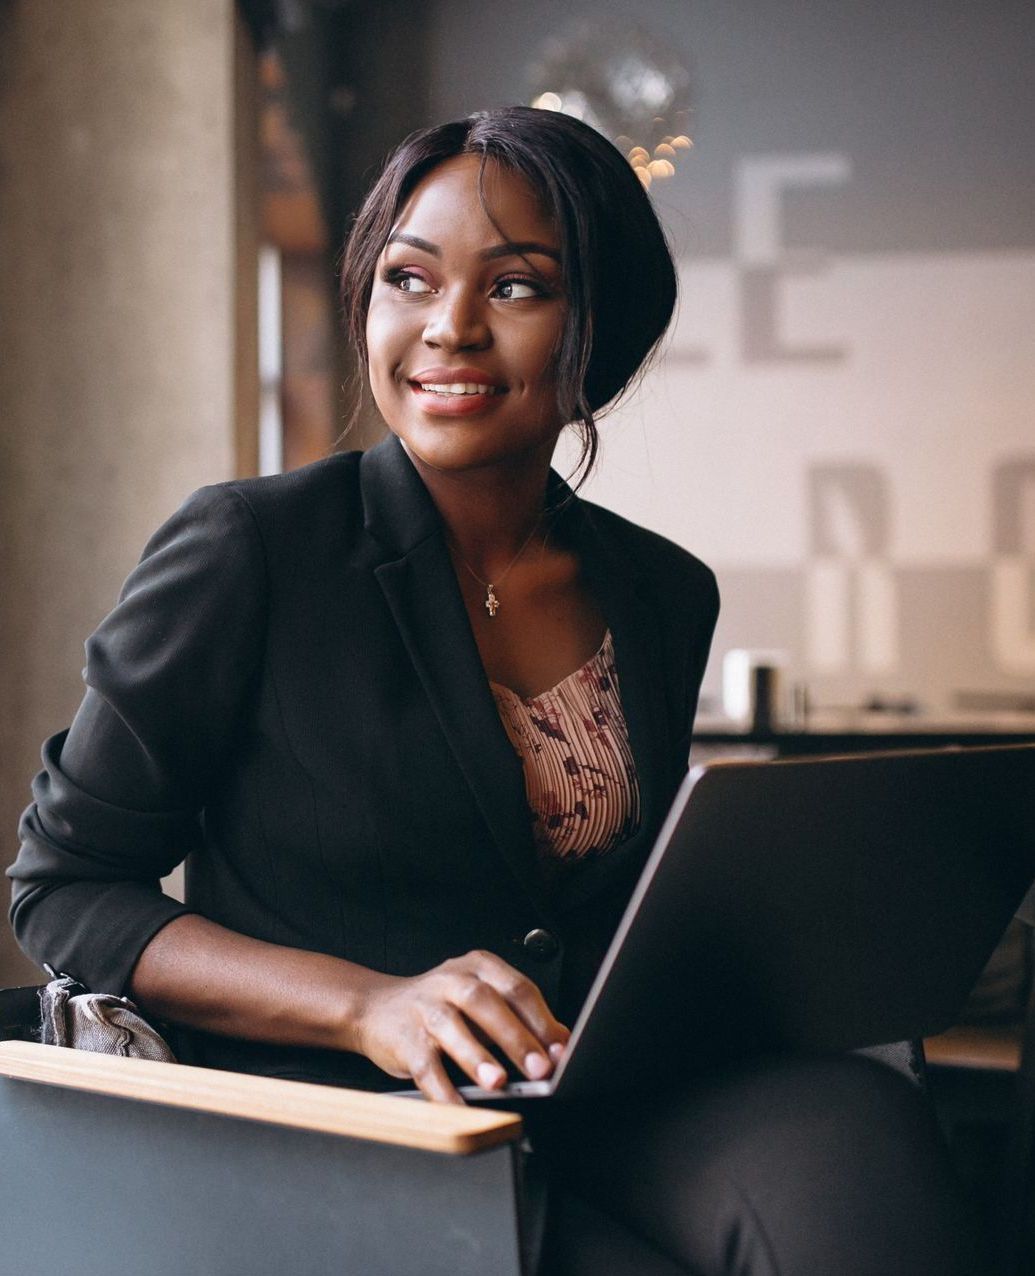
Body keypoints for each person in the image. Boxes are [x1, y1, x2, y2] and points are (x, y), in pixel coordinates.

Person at [8, 107, 986, 1275]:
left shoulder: (662, 590)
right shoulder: (248, 551)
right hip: (347, 1106)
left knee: (860, 1150)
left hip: (594, 1081)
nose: (448, 329)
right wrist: (367, 1003)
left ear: (597, 327)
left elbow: (611, 910)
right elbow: (64, 887)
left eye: (516, 288)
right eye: (408, 278)